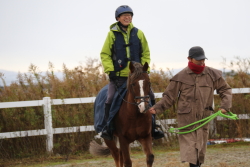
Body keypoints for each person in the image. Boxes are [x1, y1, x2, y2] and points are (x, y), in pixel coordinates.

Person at [149, 46, 232, 167]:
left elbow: (226, 90)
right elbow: (169, 97)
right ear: (189, 59)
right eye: (198, 59)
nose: (201, 62)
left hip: (204, 119)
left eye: (203, 59)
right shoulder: (180, 77)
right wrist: (156, 108)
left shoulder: (213, 74)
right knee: (191, 153)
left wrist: (225, 106)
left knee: (199, 154)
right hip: (187, 121)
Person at [100, 5, 164, 140]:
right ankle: (108, 128)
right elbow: (105, 54)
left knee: (150, 96)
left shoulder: (139, 33)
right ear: (118, 18)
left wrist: (144, 70)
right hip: (119, 77)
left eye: (129, 15)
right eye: (124, 15)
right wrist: (110, 70)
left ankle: (154, 126)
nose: (127, 17)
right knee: (110, 98)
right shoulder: (112, 34)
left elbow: (146, 52)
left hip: (137, 76)